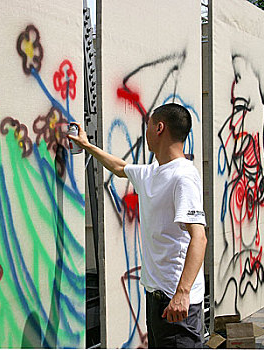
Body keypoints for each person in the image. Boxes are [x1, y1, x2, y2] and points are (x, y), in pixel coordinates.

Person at [68, 103, 207, 348]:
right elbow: (120, 168)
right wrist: (87, 146)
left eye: (149, 126)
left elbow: (199, 238)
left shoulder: (183, 176)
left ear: (159, 128)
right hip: (157, 296)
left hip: (177, 303)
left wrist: (182, 294)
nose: (146, 132)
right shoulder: (152, 172)